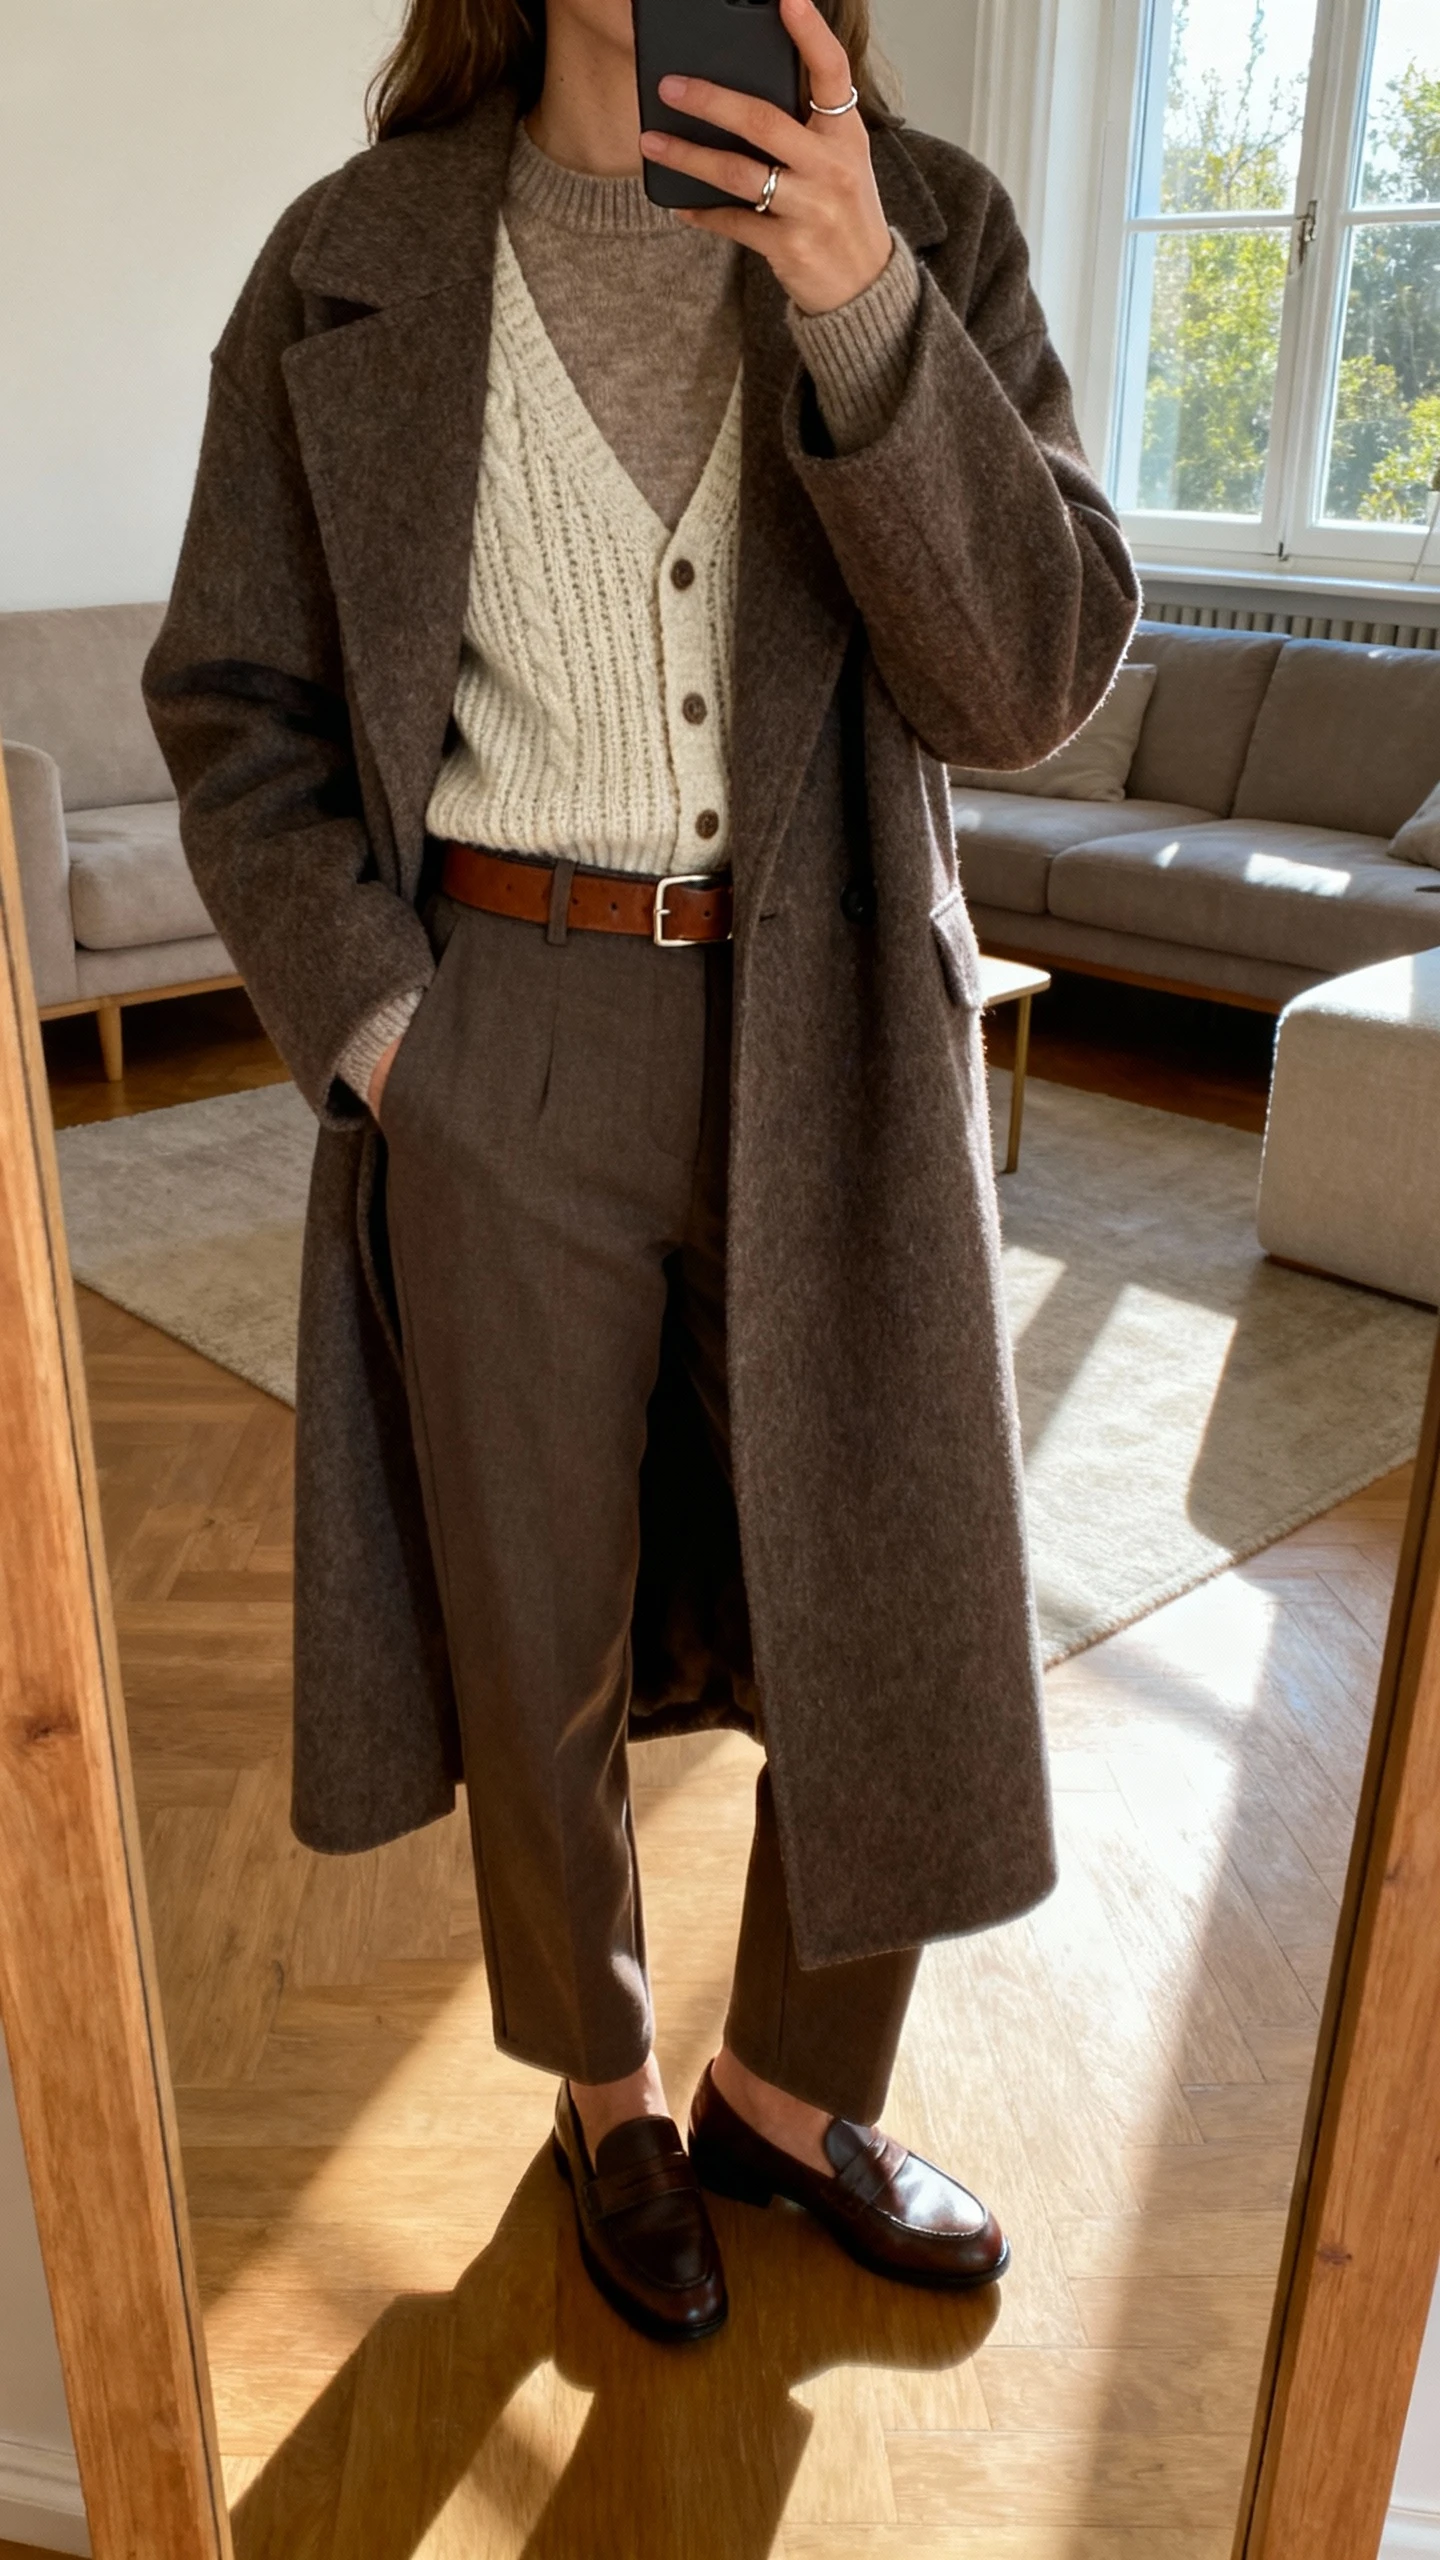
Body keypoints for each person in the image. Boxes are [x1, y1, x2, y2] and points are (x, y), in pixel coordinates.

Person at [145, 0, 1138, 2346]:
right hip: (502, 1023)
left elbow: (1031, 678)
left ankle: (795, 2091)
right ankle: (601, 2086)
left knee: (875, 1561)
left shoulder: (930, 226)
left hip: (838, 1029)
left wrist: (861, 305)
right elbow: (233, 704)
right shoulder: (346, 262)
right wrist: (394, 1038)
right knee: (532, 1603)